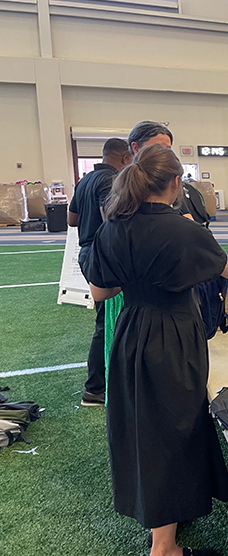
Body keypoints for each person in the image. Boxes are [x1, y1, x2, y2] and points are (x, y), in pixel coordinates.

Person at [88, 145, 228, 556]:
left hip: (131, 331)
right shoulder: (185, 229)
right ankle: (165, 547)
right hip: (173, 335)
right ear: (175, 184)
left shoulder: (114, 227)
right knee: (174, 432)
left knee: (142, 430)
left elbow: (101, 290)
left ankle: (162, 526)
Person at [67, 137, 132, 406]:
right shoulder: (110, 181)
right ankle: (96, 388)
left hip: (86, 251)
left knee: (105, 320)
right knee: (109, 321)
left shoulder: (84, 180)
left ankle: (100, 384)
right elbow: (111, 218)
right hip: (103, 253)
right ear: (125, 158)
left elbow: (71, 219)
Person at [127, 120, 208, 223]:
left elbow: (188, 219)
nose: (163, 154)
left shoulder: (170, 183)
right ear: (135, 148)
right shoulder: (122, 188)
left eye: (167, 149)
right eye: (157, 148)